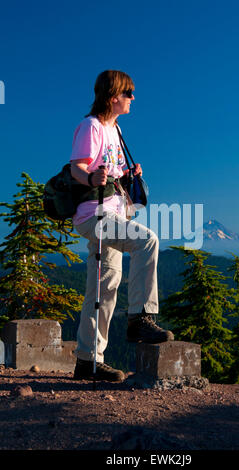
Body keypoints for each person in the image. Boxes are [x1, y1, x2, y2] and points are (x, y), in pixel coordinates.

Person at [70, 70, 174, 382]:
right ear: (113, 96)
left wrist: (127, 174)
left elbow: (112, 170)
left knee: (103, 289)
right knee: (147, 241)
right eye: (128, 93)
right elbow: (77, 166)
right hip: (95, 215)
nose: (132, 98)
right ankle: (140, 318)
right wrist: (90, 177)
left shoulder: (116, 130)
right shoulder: (91, 126)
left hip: (115, 213)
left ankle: (87, 361)